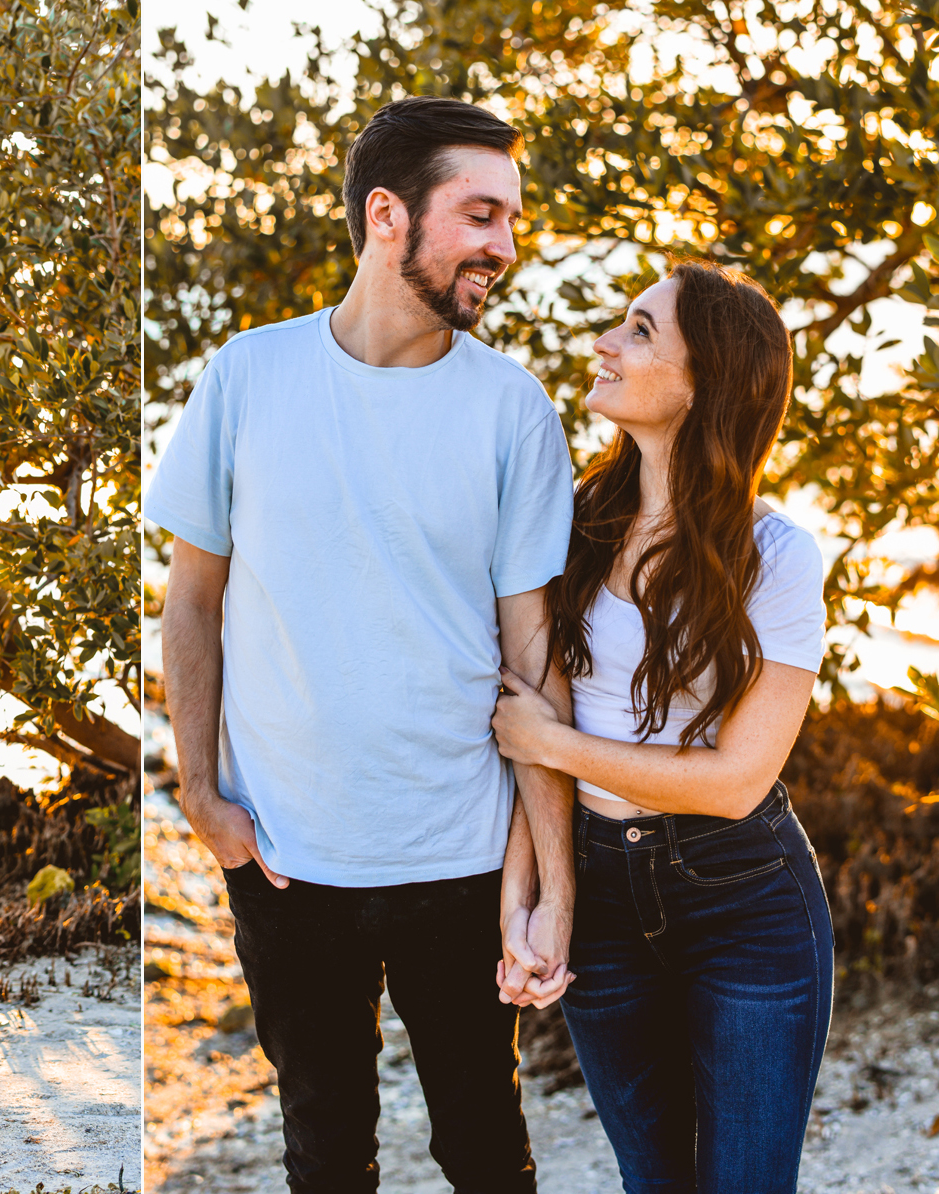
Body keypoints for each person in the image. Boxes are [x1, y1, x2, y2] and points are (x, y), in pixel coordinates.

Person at [147, 96, 577, 1193]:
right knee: (323, 1152)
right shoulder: (248, 375)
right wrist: (200, 796)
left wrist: (548, 885)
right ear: (387, 215)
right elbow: (191, 598)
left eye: (512, 221)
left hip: (463, 857)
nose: (504, 247)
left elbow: (532, 661)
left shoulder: (512, 410)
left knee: (486, 1151)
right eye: (479, 215)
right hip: (288, 860)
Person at [492, 261, 831, 1193]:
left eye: (640, 330)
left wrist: (549, 744)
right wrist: (524, 900)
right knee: (654, 1183)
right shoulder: (570, 528)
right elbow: (535, 725)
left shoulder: (778, 558)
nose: (604, 340)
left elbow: (735, 781)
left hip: (744, 900)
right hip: (597, 895)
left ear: (705, 382)